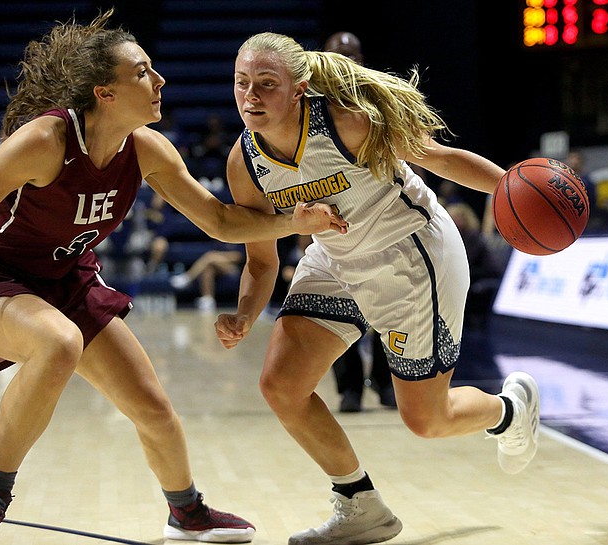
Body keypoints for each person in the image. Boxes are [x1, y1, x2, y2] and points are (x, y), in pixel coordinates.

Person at [0, 13, 345, 545]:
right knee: (59, 343)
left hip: (66, 278)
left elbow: (221, 221)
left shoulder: (145, 149)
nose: (159, 80)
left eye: (154, 69)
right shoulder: (44, 140)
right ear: (105, 93)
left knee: (153, 408)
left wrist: (293, 221)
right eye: (142, 72)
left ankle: (186, 512)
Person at [216, 32, 541, 545]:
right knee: (281, 385)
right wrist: (241, 313)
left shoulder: (346, 121)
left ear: (299, 89)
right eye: (241, 84)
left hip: (412, 259)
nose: (251, 96)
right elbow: (261, 259)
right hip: (335, 260)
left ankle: (508, 410)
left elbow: (438, 156)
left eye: (266, 84)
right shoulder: (244, 163)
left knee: (426, 422)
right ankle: (360, 506)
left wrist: (513, 191)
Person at [322, 31, 395, 414]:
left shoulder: (380, 100)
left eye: (353, 54)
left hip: (382, 221)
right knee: (340, 313)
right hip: (333, 225)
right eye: (340, 55)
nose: (347, 61)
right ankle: (349, 388)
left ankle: (385, 383)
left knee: (386, 312)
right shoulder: (313, 105)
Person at [169, 244, 245, 312]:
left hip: (235, 269)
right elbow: (215, 251)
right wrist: (219, 257)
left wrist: (220, 256)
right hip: (219, 266)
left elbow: (238, 256)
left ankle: (188, 277)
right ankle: (208, 300)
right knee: (208, 270)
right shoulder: (220, 239)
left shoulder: (239, 239)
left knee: (209, 257)